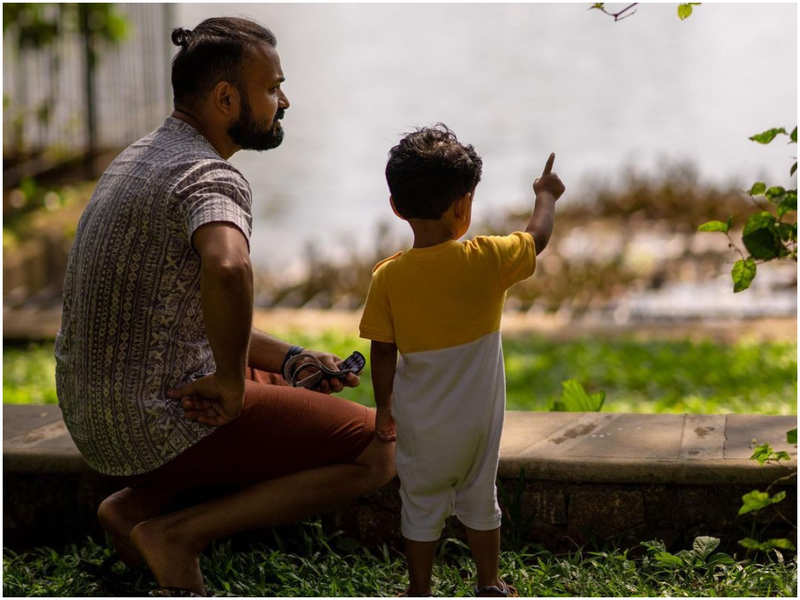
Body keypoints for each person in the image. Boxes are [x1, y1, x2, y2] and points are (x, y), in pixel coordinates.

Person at [54, 17, 395, 596]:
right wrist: (234, 382)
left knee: (288, 383)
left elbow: (186, 313)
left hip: (93, 413)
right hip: (150, 414)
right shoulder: (208, 175)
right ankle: (178, 533)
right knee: (380, 448)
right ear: (224, 97)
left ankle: (131, 510)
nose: (283, 101)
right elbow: (229, 267)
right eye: (273, 88)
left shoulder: (140, 155)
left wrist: (288, 360)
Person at [359, 124, 564, 596]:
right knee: (479, 497)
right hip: (477, 424)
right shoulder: (487, 259)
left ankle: (420, 588)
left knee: (420, 503)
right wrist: (547, 193)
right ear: (463, 206)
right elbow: (538, 237)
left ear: (396, 207)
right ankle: (489, 581)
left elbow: (383, 349)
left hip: (420, 425)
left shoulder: (388, 278)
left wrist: (384, 407)